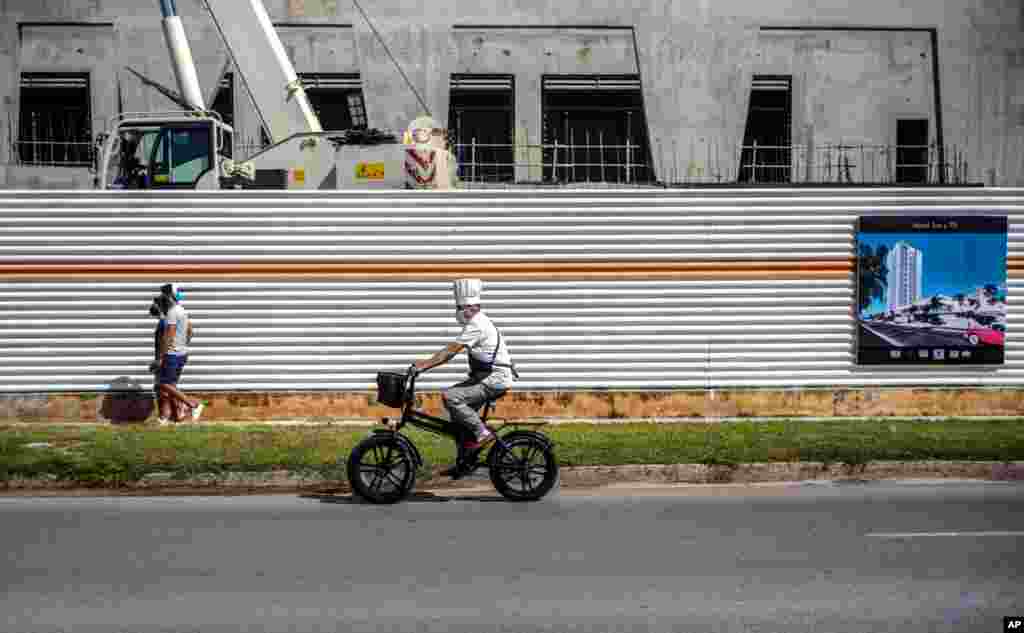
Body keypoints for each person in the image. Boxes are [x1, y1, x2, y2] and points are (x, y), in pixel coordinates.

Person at [413, 278, 517, 475]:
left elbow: (450, 351)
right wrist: (425, 364)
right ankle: (465, 464)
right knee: (459, 421)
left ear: (468, 307)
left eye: (459, 307)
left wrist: (424, 366)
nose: (457, 312)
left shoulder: (477, 324)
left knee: (450, 397)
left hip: (494, 379)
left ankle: (482, 433)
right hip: (486, 377)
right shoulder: (477, 322)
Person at [156, 283, 203, 424]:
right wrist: (183, 345)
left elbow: (169, 336)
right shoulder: (182, 310)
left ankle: (192, 405)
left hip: (172, 354)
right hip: (182, 354)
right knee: (172, 385)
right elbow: (190, 331)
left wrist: (160, 357)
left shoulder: (172, 312)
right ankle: (176, 416)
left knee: (163, 384)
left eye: (164, 294)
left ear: (169, 296)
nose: (162, 297)